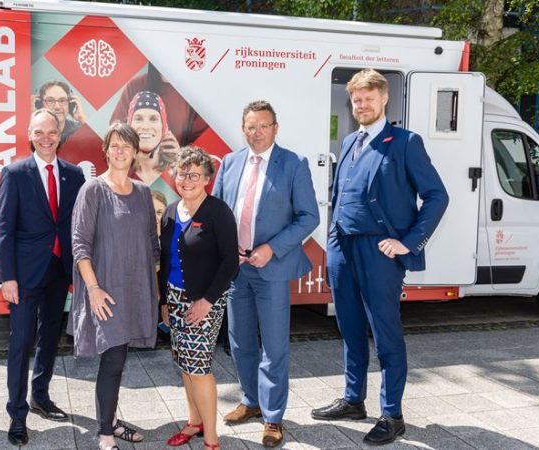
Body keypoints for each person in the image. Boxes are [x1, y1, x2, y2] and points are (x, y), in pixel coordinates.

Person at [311, 69, 449, 446]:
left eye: (369, 98)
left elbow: (437, 196)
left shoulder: (404, 142)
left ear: (384, 99)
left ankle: (393, 414)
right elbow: (340, 199)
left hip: (380, 252)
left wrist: (409, 241)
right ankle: (354, 400)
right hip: (343, 247)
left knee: (385, 333)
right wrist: (331, 247)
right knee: (350, 328)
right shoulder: (350, 142)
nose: (362, 105)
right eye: (357, 99)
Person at [212, 100, 319, 447]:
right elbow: (215, 212)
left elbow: (309, 217)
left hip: (271, 268)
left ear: (275, 127)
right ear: (243, 129)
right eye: (250, 126)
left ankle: (273, 417)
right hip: (236, 270)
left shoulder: (293, 164)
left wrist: (271, 248)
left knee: (273, 345)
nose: (256, 132)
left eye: (263, 125)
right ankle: (251, 401)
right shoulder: (229, 163)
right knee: (240, 341)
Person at [0, 109, 86, 446]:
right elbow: (3, 229)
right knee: (20, 342)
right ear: (30, 135)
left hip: (60, 270)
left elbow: (78, 225)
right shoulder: (15, 173)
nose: (46, 138)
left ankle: (41, 396)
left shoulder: (74, 175)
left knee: (50, 337)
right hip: (24, 273)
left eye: (52, 132)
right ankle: (17, 414)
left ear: (60, 134)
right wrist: (8, 277)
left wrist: (82, 268)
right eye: (39, 132)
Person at [70, 122, 161, 450]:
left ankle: (109, 421)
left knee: (119, 359)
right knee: (112, 361)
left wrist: (151, 286)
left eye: (127, 145)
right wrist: (93, 290)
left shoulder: (143, 193)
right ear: (105, 151)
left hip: (134, 289)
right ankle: (106, 433)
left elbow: (152, 242)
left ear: (136, 152)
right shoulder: (93, 190)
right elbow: (79, 244)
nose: (120, 151)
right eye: (114, 145)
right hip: (105, 291)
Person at [158, 147, 239, 450]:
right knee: (183, 363)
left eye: (194, 174)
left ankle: (211, 439)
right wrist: (163, 302)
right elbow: (165, 261)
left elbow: (230, 262)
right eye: (182, 173)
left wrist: (206, 301)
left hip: (206, 301)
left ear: (207, 178)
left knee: (199, 368)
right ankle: (193, 423)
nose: (186, 179)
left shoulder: (218, 212)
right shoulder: (169, 212)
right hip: (175, 299)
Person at [127, 90, 181, 187]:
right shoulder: (119, 173)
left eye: (153, 119)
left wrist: (180, 161)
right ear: (129, 124)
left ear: (163, 127)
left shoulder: (178, 174)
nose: (146, 126)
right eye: (138, 119)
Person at [35, 80, 87, 147]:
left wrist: (82, 118)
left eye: (62, 100)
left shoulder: (79, 129)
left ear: (70, 104)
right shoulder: (33, 130)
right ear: (40, 105)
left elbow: (99, 149)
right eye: (50, 101)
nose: (57, 107)